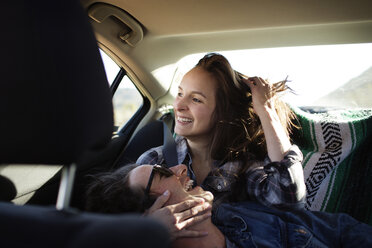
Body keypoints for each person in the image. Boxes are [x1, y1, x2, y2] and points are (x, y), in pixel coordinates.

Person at [135, 53, 306, 231]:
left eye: (196, 99)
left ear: (224, 112)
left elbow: (288, 203)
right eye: (180, 93)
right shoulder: (153, 161)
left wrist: (265, 111)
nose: (178, 106)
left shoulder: (244, 168)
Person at [85, 163, 372, 248]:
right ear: (150, 216)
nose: (180, 168)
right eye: (162, 173)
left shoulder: (242, 215)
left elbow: (340, 230)